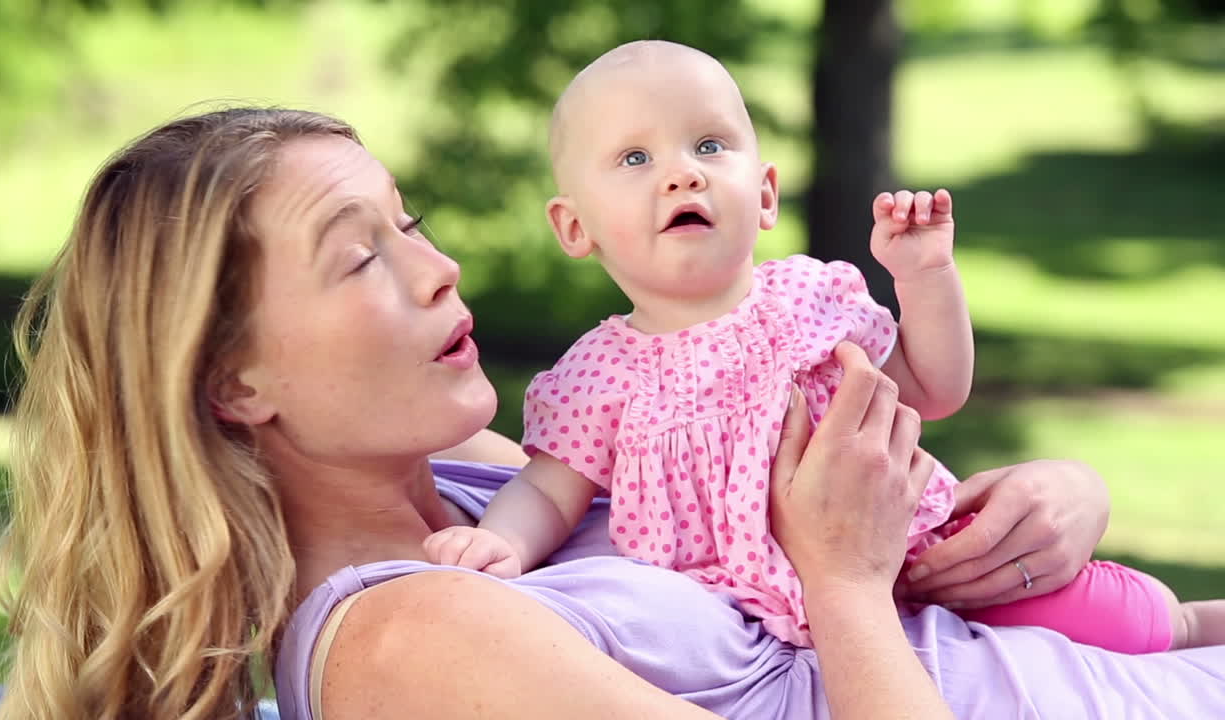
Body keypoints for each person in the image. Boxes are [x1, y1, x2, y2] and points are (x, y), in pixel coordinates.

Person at [0, 106, 1225, 720]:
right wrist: (842, 582)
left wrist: (1060, 500)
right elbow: (824, 590)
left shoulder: (474, 488)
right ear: (232, 382)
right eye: (357, 257)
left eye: (408, 223)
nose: (439, 270)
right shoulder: (404, 645)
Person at [421, 40, 1224, 651]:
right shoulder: (598, 375)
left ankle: (1191, 626)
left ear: (764, 194)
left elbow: (933, 388)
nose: (682, 176)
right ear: (574, 227)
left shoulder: (809, 300)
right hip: (734, 620)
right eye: (635, 158)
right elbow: (549, 490)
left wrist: (925, 277)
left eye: (708, 147)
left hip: (917, 562)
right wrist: (501, 540)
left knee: (1108, 619)